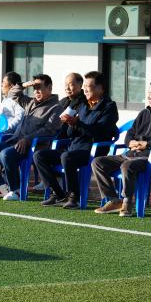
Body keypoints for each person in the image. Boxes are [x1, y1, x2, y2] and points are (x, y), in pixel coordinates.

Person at [91, 80, 151, 217]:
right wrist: (130, 142)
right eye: (148, 94)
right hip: (130, 153)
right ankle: (114, 200)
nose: (148, 97)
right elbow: (130, 133)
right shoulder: (144, 113)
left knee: (127, 166)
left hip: (150, 159)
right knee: (97, 162)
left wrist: (148, 144)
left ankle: (127, 202)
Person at [36, 71, 119, 209]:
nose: (84, 89)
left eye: (88, 86)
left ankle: (74, 197)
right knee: (39, 156)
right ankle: (58, 193)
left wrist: (77, 123)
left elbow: (99, 132)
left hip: (92, 150)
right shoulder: (83, 105)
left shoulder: (109, 107)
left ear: (100, 88)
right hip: (74, 148)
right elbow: (70, 133)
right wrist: (70, 123)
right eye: (84, 86)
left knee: (66, 157)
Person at [0, 74, 62, 201]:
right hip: (15, 141)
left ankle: (16, 190)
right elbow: (12, 94)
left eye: (39, 87)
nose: (36, 91)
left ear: (49, 88)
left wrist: (28, 139)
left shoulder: (56, 108)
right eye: (34, 88)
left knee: (5, 154)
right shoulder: (30, 102)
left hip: (33, 146)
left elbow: (49, 130)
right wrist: (24, 85)